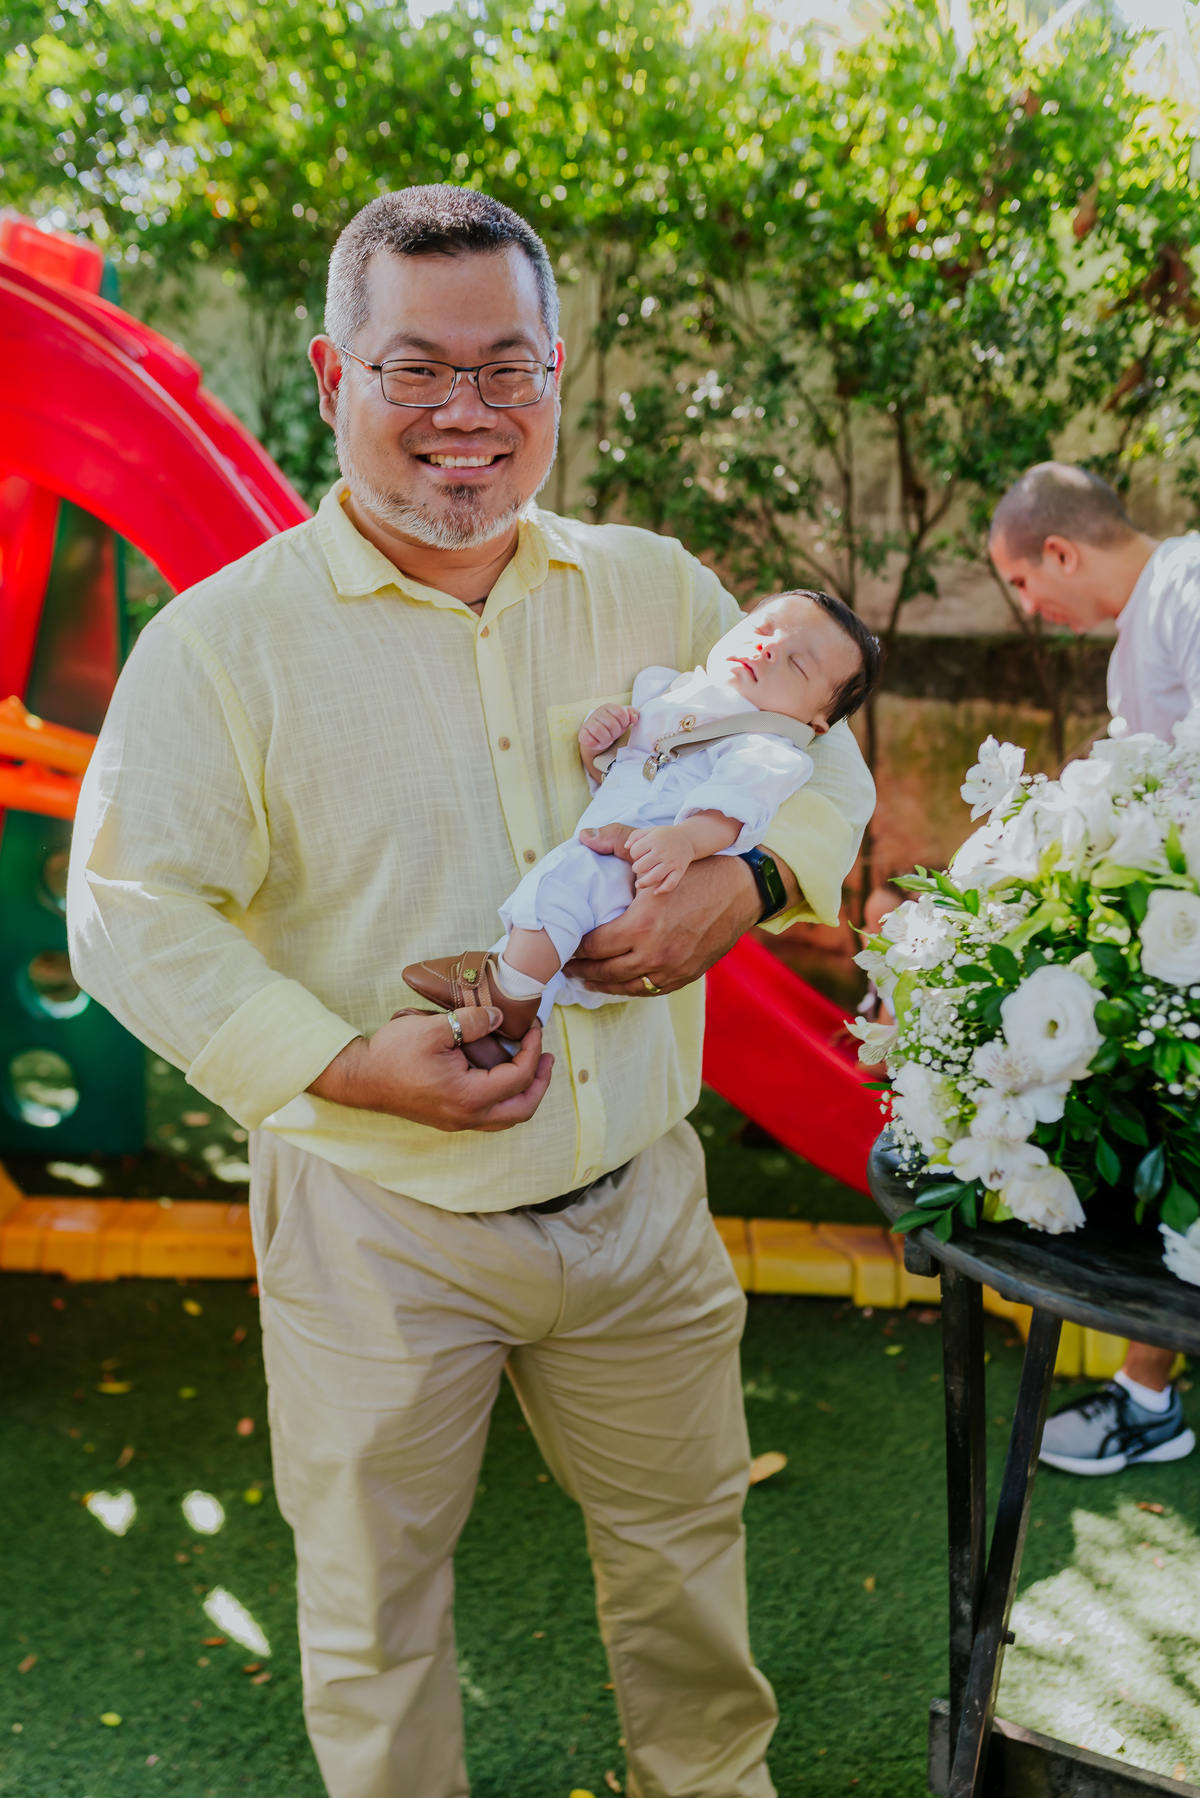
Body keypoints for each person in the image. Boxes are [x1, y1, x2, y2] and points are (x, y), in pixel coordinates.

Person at [67, 185, 875, 1798]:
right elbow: (131, 906)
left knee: (689, 1564)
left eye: (507, 367)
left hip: (642, 1202)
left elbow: (823, 760)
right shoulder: (223, 646)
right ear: (328, 374)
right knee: (374, 1614)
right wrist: (352, 1066)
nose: (467, 413)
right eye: (415, 370)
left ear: (559, 371)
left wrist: (753, 879)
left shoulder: (657, 587)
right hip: (376, 1222)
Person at [404, 588, 879, 1059]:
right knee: (546, 930)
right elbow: (630, 777)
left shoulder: (766, 750)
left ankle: (500, 994)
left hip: (646, 871)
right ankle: (498, 1039)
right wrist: (601, 751)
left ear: (819, 723)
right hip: (620, 850)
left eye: (798, 664)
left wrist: (685, 842)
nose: (769, 648)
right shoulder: (677, 697)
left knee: (557, 891)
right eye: (761, 629)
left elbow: (732, 812)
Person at [989, 459, 1196, 1475]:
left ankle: (1147, 1394)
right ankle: (1147, 1392)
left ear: (1060, 550)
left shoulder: (1189, 589)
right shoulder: (1144, 626)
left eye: (1025, 582)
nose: (1032, 606)